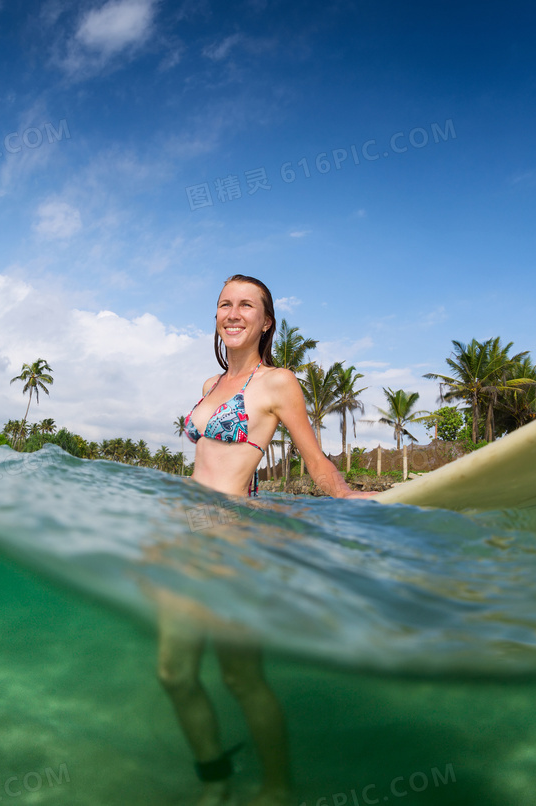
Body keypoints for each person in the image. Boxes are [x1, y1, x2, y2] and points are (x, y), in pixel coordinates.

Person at [157, 274, 375, 806]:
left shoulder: (277, 383)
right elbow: (203, 465)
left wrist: (347, 499)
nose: (233, 313)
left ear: (266, 321)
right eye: (224, 304)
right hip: (187, 538)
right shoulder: (211, 387)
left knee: (240, 678)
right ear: (216, 316)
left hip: (232, 543)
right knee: (173, 672)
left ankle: (277, 788)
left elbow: (315, 460)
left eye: (246, 305)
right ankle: (216, 776)